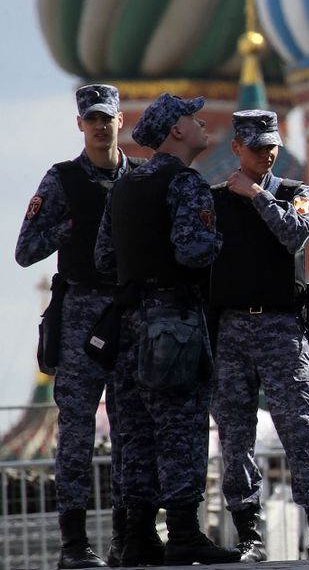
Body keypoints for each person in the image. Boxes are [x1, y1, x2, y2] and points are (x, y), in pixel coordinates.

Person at [94, 93, 241, 566]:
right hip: (172, 322)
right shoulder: (187, 184)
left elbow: (103, 259)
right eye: (192, 118)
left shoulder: (125, 186)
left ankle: (137, 536)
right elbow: (195, 252)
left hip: (128, 324)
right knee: (181, 425)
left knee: (134, 432)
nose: (202, 123)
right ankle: (182, 531)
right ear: (176, 131)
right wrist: (219, 239)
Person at [16, 84, 142, 568]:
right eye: (91, 119)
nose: (100, 126)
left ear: (119, 120)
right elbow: (26, 251)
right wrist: (69, 229)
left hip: (128, 315)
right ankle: (74, 544)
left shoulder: (137, 179)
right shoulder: (63, 180)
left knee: (131, 428)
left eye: (106, 118)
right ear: (80, 125)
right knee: (75, 432)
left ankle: (126, 538)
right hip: (80, 320)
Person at [208, 110, 309, 562]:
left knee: (301, 427)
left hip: (281, 328)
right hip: (230, 330)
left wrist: (259, 195)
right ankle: (249, 535)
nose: (267, 153)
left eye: (272, 146)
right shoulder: (216, 202)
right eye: (257, 146)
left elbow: (296, 235)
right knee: (236, 435)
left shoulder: (293, 193)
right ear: (236, 148)